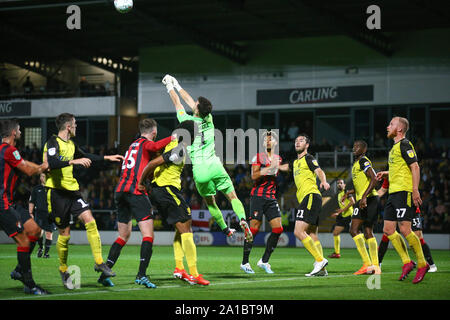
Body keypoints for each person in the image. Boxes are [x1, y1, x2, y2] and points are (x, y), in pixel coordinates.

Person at [162, 74, 252, 241]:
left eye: (195, 104)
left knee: (211, 203)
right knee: (233, 197)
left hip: (200, 170)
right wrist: (178, 85)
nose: (193, 103)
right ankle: (242, 220)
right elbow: (191, 102)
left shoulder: (187, 121)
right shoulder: (209, 119)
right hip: (215, 165)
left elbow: (179, 103)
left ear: (197, 108)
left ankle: (226, 230)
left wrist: (170, 87)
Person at [43, 113, 124, 289]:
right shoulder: (52, 142)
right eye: (75, 124)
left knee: (90, 221)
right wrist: (74, 161)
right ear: (68, 127)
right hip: (57, 193)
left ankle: (99, 262)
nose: (77, 127)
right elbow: (53, 162)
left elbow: (87, 156)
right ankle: (63, 269)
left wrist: (107, 158)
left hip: (72, 192)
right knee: (65, 235)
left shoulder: (72, 144)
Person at [97, 118, 173, 288]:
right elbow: (154, 147)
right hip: (135, 191)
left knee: (123, 236)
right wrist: (172, 138)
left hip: (120, 191)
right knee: (148, 235)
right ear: (154, 132)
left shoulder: (133, 145)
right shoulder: (146, 143)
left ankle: (105, 273)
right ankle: (141, 275)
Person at [138, 120, 210, 286]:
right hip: (166, 190)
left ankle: (179, 268)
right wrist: (142, 181)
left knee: (184, 226)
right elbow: (153, 163)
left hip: (164, 190)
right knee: (186, 229)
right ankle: (194, 273)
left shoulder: (176, 146)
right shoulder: (179, 148)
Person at [376, 116, 429, 284]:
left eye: (391, 124)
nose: (387, 126)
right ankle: (407, 262)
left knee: (405, 229)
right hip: (394, 193)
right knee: (388, 229)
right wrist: (386, 174)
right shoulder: (395, 147)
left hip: (404, 192)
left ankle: (422, 263)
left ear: (399, 129)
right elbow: (401, 170)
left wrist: (415, 190)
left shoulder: (405, 144)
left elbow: (415, 166)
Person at [0, 119, 49, 295]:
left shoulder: (6, 151)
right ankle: (30, 284)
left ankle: (20, 269)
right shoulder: (8, 150)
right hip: (2, 204)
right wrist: (43, 167)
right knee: (24, 240)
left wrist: (40, 168)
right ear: (13, 133)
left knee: (35, 230)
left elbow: (25, 165)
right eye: (19, 130)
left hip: (10, 202)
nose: (20, 132)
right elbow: (27, 170)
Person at [240, 130, 289, 274]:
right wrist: (271, 168)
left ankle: (264, 261)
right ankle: (244, 262)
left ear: (276, 142)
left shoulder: (278, 159)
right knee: (253, 230)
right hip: (258, 197)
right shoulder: (258, 156)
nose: (268, 141)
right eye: (266, 139)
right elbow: (254, 176)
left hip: (271, 197)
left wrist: (279, 167)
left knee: (278, 229)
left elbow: (283, 169)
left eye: (271, 139)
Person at [377, 178, 437, 272]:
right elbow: (382, 190)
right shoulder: (390, 174)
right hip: (395, 205)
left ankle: (431, 264)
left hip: (411, 207)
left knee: (417, 237)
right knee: (387, 233)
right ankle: (378, 263)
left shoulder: (404, 171)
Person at [292, 134, 330, 277]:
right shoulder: (295, 162)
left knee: (298, 231)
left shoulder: (308, 158)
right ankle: (322, 269)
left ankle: (320, 260)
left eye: (301, 141)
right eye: (296, 141)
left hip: (311, 196)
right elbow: (285, 167)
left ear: (307, 145)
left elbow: (319, 170)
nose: (297, 142)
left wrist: (324, 181)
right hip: (310, 198)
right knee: (312, 233)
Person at [343, 140, 380, 275]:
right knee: (367, 231)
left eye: (357, 146)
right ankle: (375, 266)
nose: (354, 148)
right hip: (367, 199)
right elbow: (362, 184)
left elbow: (374, 178)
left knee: (353, 230)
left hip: (368, 199)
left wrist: (364, 196)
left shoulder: (363, 161)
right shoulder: (356, 163)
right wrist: (349, 192)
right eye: (353, 146)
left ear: (364, 149)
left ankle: (367, 264)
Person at [29, 173, 55, 258]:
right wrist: (30, 213)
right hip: (39, 214)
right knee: (39, 233)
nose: (43, 178)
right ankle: (41, 247)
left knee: (49, 233)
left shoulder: (53, 188)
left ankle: (46, 254)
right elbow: (32, 201)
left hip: (51, 214)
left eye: (45, 176)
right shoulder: (36, 189)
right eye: (42, 176)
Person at [328, 178, 355, 258]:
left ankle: (372, 243)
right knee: (335, 232)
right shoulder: (339, 194)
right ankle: (337, 253)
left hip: (350, 215)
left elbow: (352, 202)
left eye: (341, 183)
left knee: (356, 233)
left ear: (344, 185)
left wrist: (342, 210)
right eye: (338, 183)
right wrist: (338, 212)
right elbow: (343, 206)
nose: (339, 184)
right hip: (343, 216)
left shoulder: (347, 192)